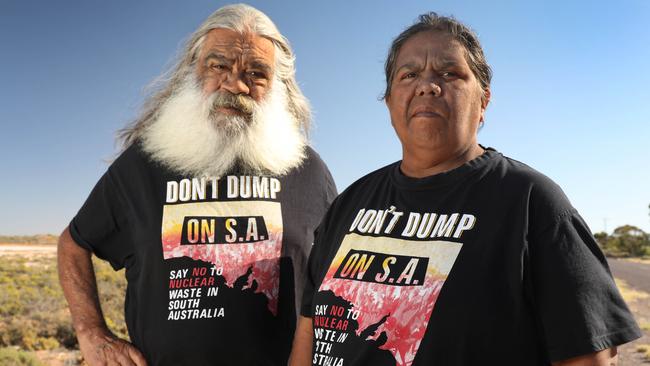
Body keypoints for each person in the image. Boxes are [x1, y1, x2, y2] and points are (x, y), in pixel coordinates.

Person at [290, 12, 641, 366]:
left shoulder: (531, 202)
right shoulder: (349, 203)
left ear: (484, 101)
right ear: (390, 101)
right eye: (409, 74)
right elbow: (308, 333)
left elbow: (587, 359)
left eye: (449, 73)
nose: (427, 85)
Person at [57, 4, 336, 365]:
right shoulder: (145, 163)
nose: (235, 85)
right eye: (218, 65)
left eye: (256, 73)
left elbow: (336, 281)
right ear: (193, 72)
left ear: (278, 86)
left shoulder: (306, 170)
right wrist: (92, 334)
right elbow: (74, 243)